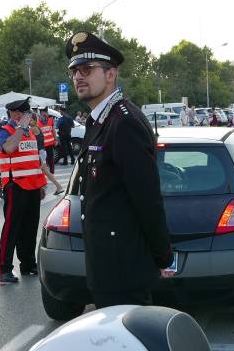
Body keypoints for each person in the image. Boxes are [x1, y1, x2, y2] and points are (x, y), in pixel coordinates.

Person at [66, 31, 172, 308]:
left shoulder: (124, 123)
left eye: (87, 69)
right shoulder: (99, 121)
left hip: (124, 270)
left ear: (111, 74)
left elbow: (147, 198)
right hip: (106, 266)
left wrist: (163, 256)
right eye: (74, 71)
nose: (78, 77)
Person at [0, 98, 47, 283]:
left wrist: (41, 184)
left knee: (30, 229)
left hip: (32, 186)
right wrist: (20, 128)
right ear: (15, 114)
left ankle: (28, 265)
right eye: (26, 113)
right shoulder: (4, 132)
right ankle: (4, 268)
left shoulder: (29, 133)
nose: (29, 117)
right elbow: (8, 148)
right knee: (12, 229)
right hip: (15, 185)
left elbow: (34, 160)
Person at [30, 113, 65, 195]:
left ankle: (58, 187)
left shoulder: (33, 129)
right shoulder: (36, 127)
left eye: (31, 120)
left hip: (40, 153)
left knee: (44, 171)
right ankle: (46, 186)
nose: (29, 121)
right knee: (42, 171)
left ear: (35, 120)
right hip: (41, 152)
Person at [38, 107, 57, 174]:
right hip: (42, 144)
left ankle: (52, 172)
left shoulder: (51, 120)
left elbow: (53, 130)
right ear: (40, 114)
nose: (45, 114)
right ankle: (44, 172)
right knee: (43, 159)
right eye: (43, 113)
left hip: (50, 143)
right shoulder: (37, 122)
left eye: (46, 112)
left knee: (51, 158)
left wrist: (55, 139)